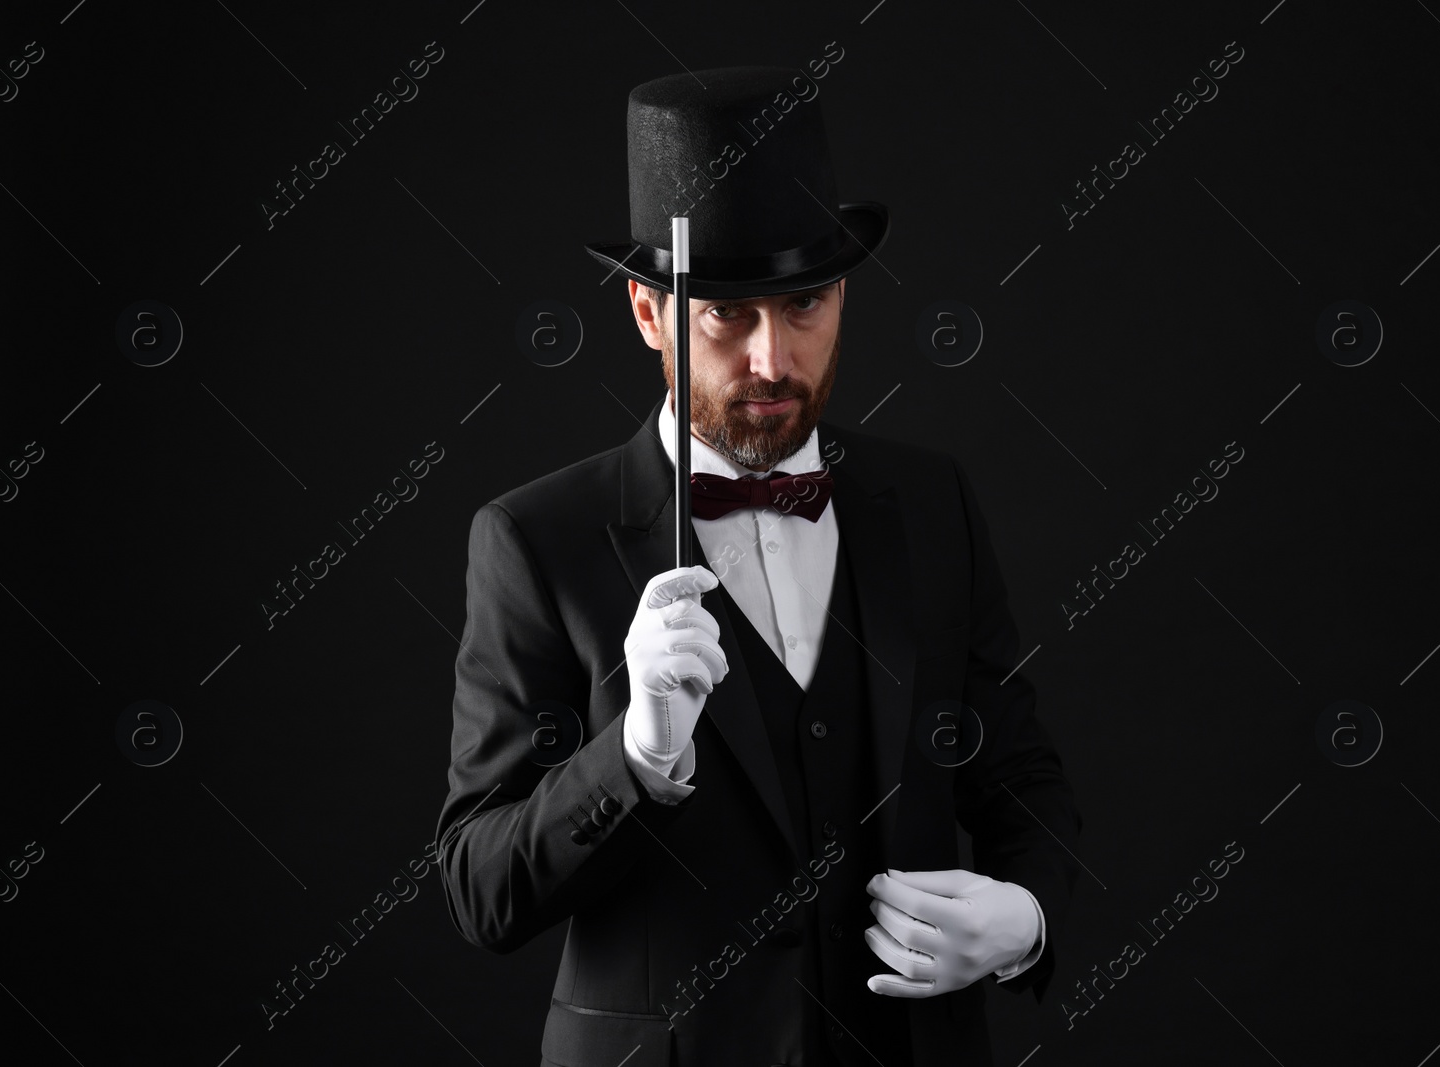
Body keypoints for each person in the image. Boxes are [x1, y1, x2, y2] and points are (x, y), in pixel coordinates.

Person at [436, 65, 1083, 1067]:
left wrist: (1026, 914)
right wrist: (637, 753)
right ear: (650, 316)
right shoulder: (535, 538)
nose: (773, 358)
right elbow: (481, 888)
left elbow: (1020, 775)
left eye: (805, 303)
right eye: (725, 317)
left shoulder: (928, 501)